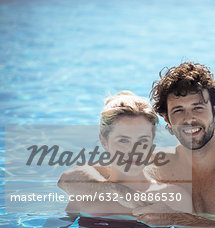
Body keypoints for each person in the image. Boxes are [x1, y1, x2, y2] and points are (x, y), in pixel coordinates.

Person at [59, 63, 215, 226]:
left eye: (197, 108)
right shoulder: (159, 161)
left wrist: (180, 220)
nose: (188, 119)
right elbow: (71, 178)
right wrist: (122, 194)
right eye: (178, 110)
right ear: (167, 121)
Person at [60, 91, 192, 217]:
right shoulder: (85, 198)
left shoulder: (175, 198)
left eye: (143, 140)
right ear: (104, 141)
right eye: (123, 140)